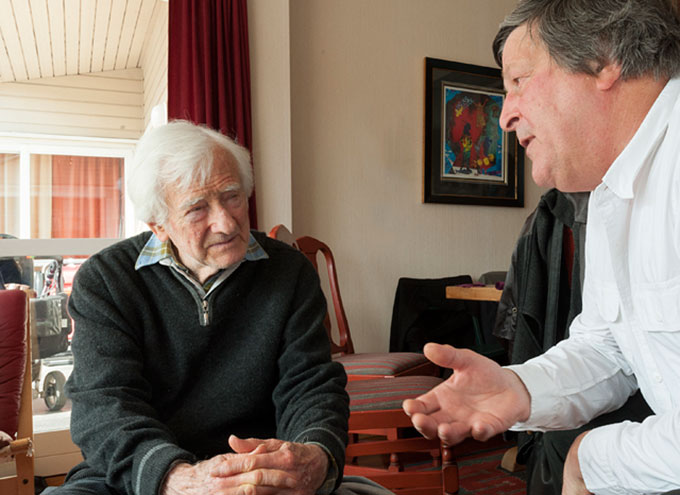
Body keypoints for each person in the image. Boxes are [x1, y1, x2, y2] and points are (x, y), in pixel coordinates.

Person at [403, 1, 680, 494]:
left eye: (517, 81)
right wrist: (519, 387)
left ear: (603, 60)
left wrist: (591, 459)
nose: (505, 114)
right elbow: (609, 346)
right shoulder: (609, 194)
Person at [51, 121, 393, 495]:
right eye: (198, 209)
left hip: (260, 473)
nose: (226, 222)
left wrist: (311, 456)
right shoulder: (106, 280)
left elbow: (311, 385)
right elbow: (104, 405)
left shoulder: (289, 271)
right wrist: (176, 479)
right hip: (141, 481)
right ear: (159, 225)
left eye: (232, 196)